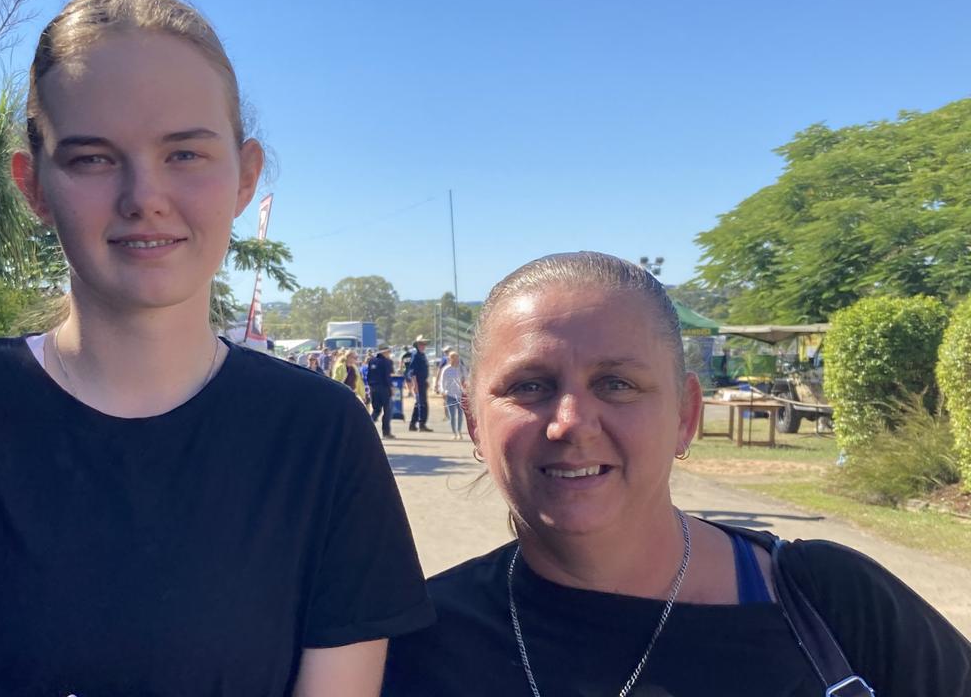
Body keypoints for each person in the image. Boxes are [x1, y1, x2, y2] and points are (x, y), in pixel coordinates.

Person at [0, 0, 433, 696]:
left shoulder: (320, 438)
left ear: (244, 178)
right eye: (93, 158)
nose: (144, 195)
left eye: (185, 154)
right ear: (34, 186)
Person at [384, 252, 971, 696]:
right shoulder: (414, 647)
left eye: (617, 383)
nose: (572, 423)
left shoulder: (830, 604)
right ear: (475, 425)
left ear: (685, 415)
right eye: (529, 386)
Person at [367, 345, 396, 439]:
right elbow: (387, 377)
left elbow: (368, 376)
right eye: (388, 352)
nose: (389, 354)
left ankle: (366, 428)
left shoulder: (371, 361)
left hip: (373, 388)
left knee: (376, 410)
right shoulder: (386, 362)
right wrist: (391, 388)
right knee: (387, 410)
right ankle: (386, 432)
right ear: (384, 352)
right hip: (384, 388)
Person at [436, 351, 467, 440]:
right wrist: (443, 391)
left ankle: (459, 432)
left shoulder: (462, 368)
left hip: (460, 395)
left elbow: (466, 379)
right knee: (452, 415)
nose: (455, 360)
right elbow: (442, 382)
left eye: (456, 358)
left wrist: (466, 389)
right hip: (450, 394)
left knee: (460, 415)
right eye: (453, 358)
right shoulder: (446, 369)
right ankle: (454, 433)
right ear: (450, 359)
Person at [406, 336, 432, 432]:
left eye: (424, 344)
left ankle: (412, 424)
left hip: (422, 382)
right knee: (422, 405)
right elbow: (412, 372)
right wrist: (415, 385)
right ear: (417, 345)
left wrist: (426, 381)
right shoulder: (416, 355)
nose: (423, 346)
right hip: (418, 383)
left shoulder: (422, 355)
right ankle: (422, 424)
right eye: (421, 344)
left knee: (418, 404)